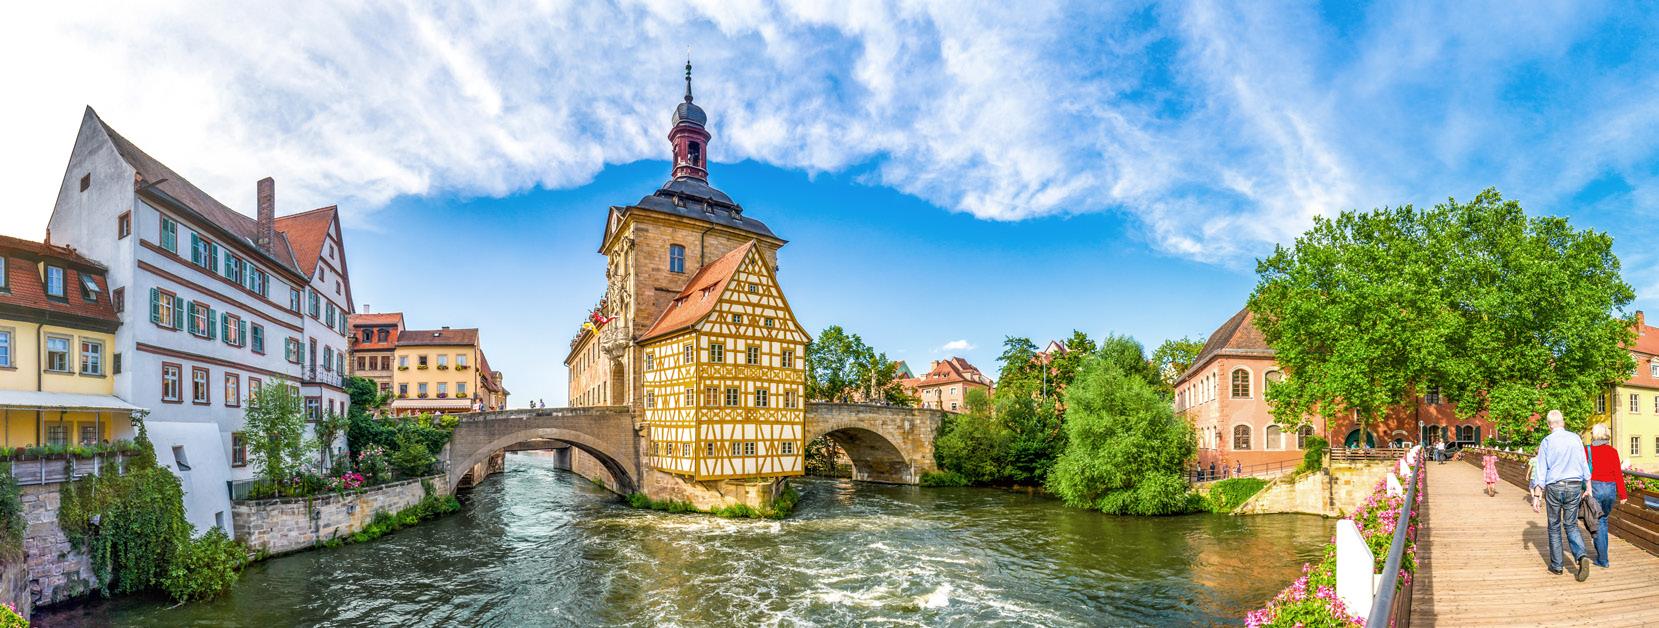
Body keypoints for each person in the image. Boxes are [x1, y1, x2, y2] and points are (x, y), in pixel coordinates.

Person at [1530, 410, 1592, 581]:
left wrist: (1537, 495)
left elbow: (1541, 470)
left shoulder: (1547, 441)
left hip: (1554, 486)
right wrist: (1588, 486)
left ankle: (1557, 566)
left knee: (1554, 526)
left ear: (1549, 425)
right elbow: (1583, 463)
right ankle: (1581, 555)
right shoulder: (1575, 438)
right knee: (1571, 524)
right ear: (1562, 422)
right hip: (1574, 485)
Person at [1586, 423, 1627, 568]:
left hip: (1595, 488)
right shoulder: (1613, 451)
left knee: (1596, 522)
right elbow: (1618, 474)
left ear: (1595, 435)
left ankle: (1602, 559)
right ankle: (1603, 558)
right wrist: (1623, 494)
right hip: (1610, 489)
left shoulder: (1588, 450)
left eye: (1592, 433)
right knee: (1603, 520)